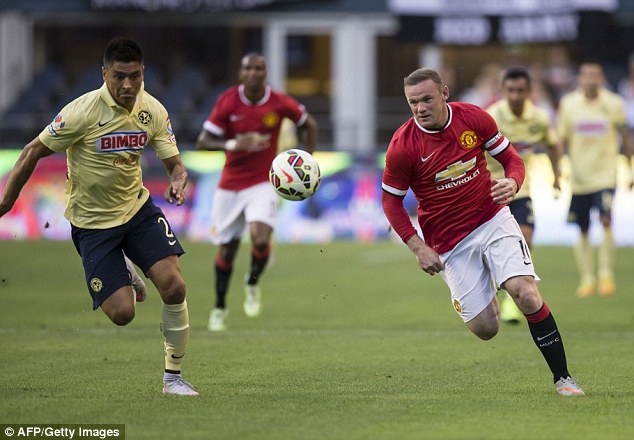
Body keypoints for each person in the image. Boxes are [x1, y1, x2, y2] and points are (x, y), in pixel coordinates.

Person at [0, 37, 198, 395]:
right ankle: (122, 265)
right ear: (104, 73)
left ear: (143, 74)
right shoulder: (81, 112)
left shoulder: (152, 109)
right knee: (123, 314)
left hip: (137, 209)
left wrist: (177, 182)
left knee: (175, 285)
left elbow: (176, 167)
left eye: (134, 77)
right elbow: (31, 152)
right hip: (92, 225)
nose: (127, 85)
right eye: (119, 76)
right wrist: (6, 202)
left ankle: (173, 378)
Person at [382, 67, 584, 396]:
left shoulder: (474, 118)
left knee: (526, 293)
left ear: (444, 93)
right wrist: (419, 248)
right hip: (448, 242)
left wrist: (513, 181)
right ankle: (487, 284)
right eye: (413, 102)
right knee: (486, 328)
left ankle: (563, 378)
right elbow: (390, 203)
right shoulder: (402, 146)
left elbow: (511, 158)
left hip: (492, 219)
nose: (420, 108)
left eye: (427, 99)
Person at [196, 52, 318, 331]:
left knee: (260, 240)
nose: (252, 73)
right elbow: (204, 140)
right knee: (227, 250)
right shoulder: (228, 101)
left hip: (263, 183)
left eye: (258, 68)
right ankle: (219, 306)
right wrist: (232, 144)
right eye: (247, 68)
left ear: (265, 73)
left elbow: (308, 124)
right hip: (229, 185)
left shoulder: (278, 102)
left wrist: (305, 159)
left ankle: (252, 282)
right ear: (241, 73)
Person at [485, 66, 562, 323]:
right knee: (487, 250)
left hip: (520, 189)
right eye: (510, 90)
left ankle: (510, 301)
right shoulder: (491, 117)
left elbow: (553, 145)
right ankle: (490, 291)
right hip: (489, 193)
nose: (515, 96)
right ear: (502, 91)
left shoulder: (539, 118)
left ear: (529, 91)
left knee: (524, 239)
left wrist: (557, 176)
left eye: (520, 90)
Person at [557, 61, 634, 298]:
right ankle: (587, 278)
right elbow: (562, 138)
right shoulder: (569, 104)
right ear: (580, 78)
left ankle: (606, 274)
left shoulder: (613, 103)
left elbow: (625, 137)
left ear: (601, 78)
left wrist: (630, 169)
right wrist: (560, 169)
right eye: (586, 75)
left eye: (595, 75)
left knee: (606, 219)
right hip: (580, 177)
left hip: (606, 175)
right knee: (582, 228)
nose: (591, 79)